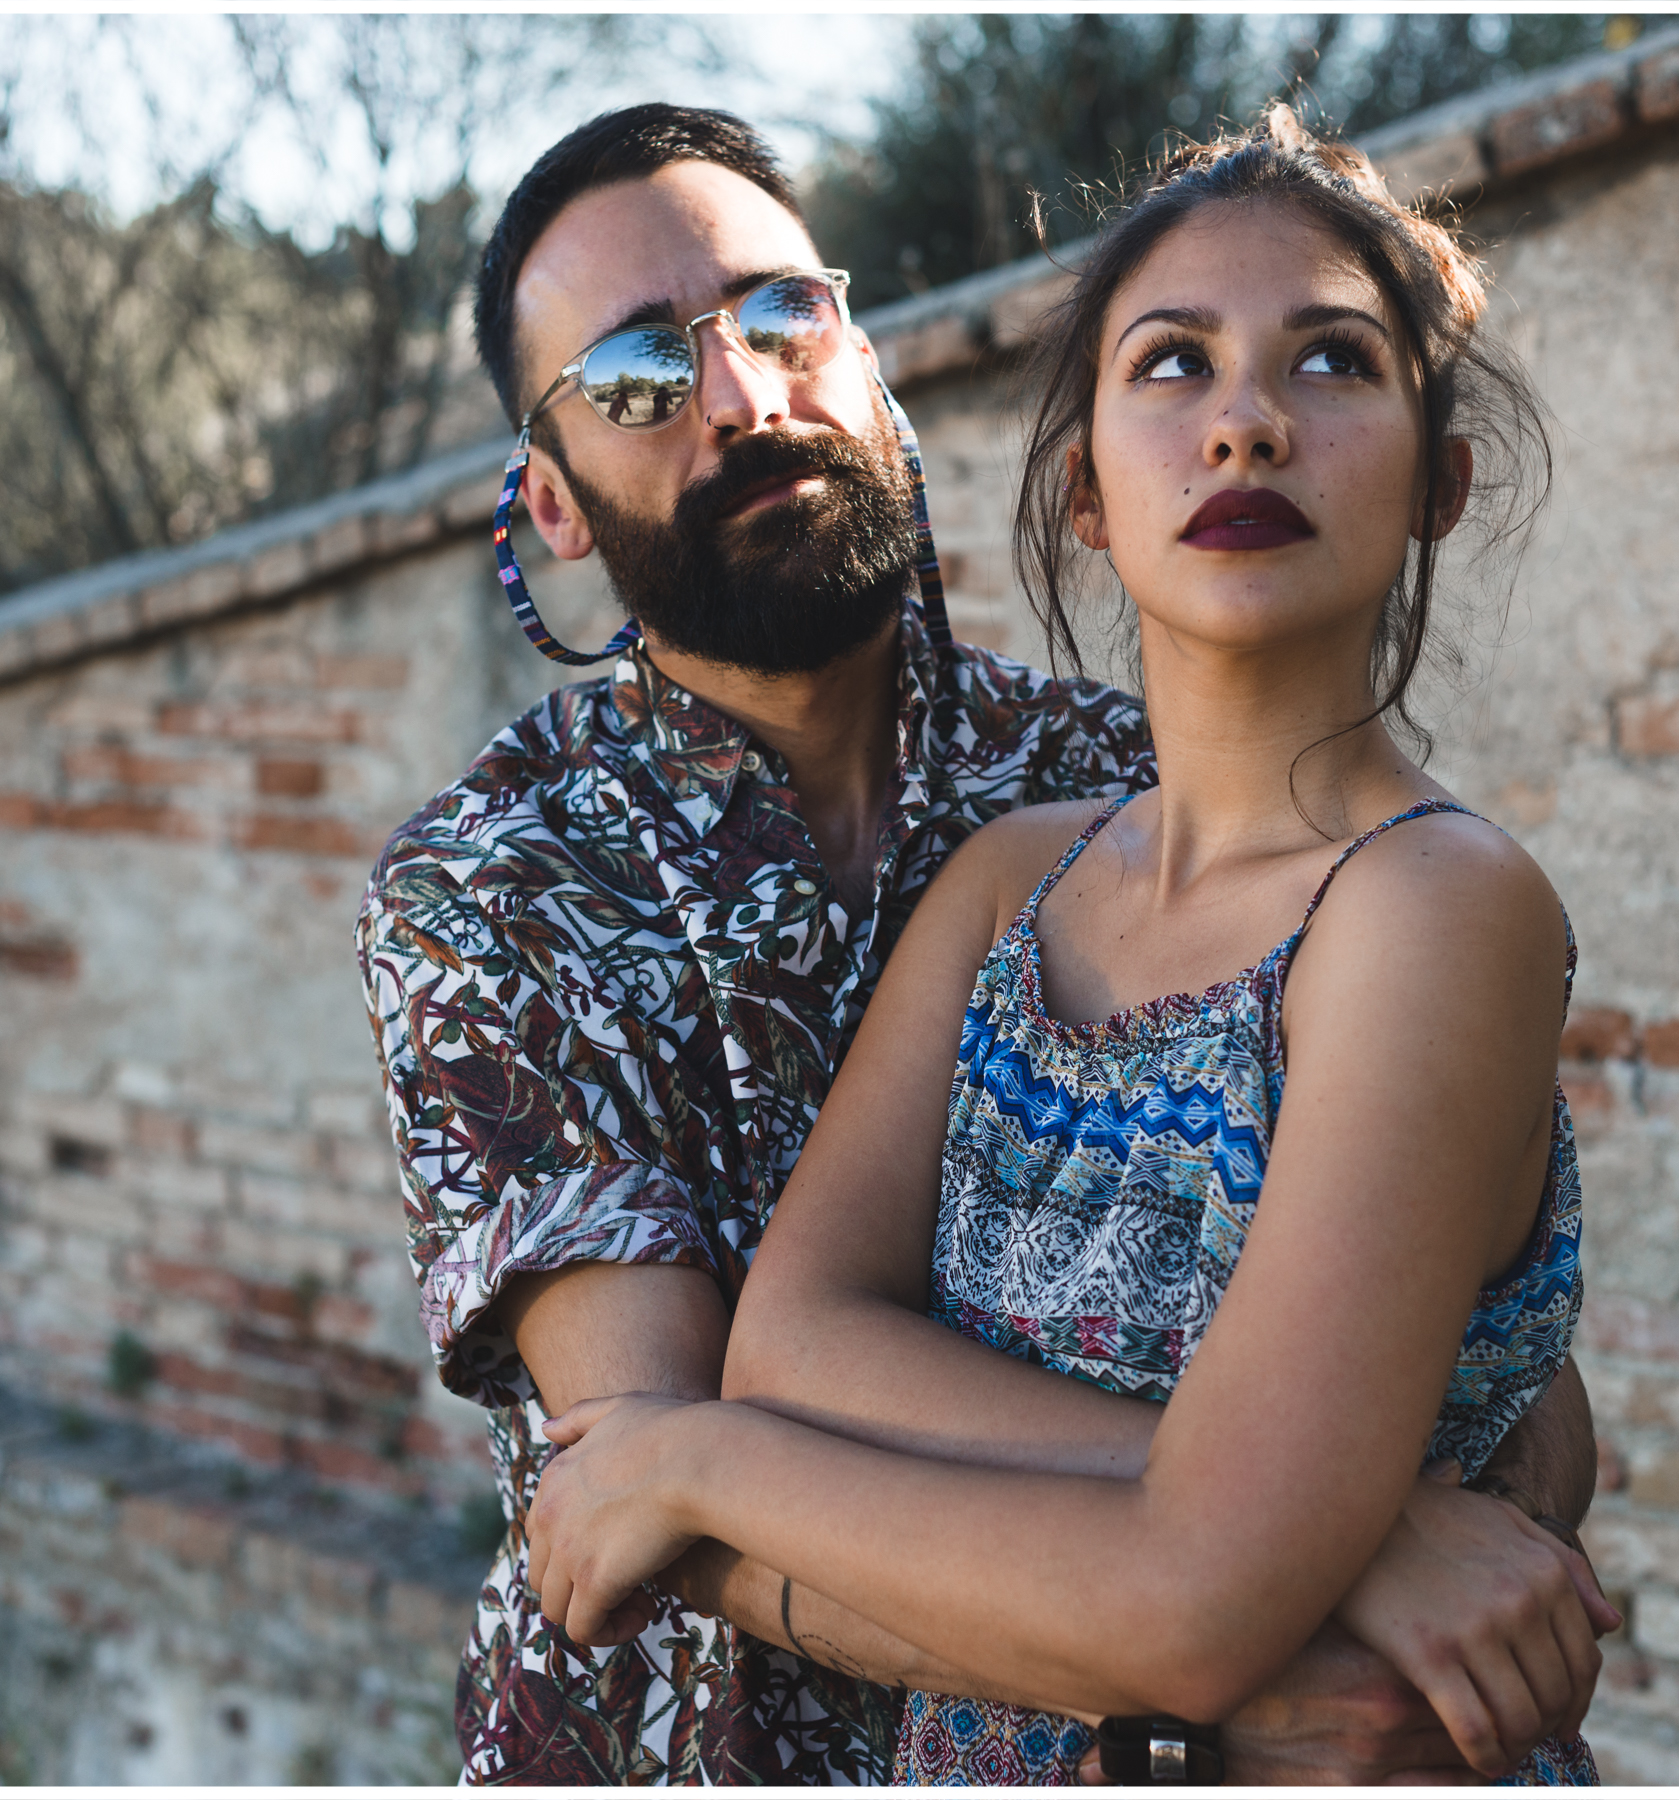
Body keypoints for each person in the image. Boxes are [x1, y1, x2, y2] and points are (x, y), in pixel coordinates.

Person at [357, 103, 1606, 1786]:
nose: (746, 395)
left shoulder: (1105, 779)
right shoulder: (495, 891)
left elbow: (1505, 1397)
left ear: (869, 360)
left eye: (786, 316)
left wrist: (1307, 1528)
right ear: (555, 508)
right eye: (643, 380)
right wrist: (1316, 1579)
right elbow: (646, 1472)